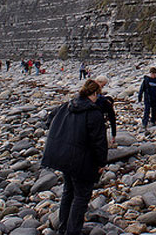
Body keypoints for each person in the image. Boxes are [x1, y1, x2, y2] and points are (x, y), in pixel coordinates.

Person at [42, 79, 107, 235]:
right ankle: (73, 231)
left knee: (68, 192)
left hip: (64, 157)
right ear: (94, 94)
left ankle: (62, 228)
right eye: (98, 95)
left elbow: (49, 120)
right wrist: (101, 163)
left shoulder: (67, 106)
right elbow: (99, 142)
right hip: (82, 161)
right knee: (81, 197)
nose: (98, 98)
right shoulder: (93, 113)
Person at [94, 76, 117, 146]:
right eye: (103, 85)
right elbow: (112, 119)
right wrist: (113, 135)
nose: (102, 87)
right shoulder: (104, 102)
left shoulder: (93, 93)